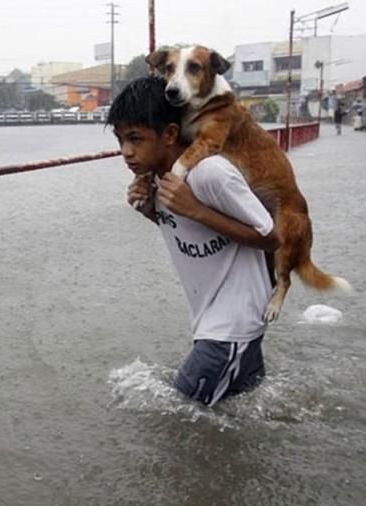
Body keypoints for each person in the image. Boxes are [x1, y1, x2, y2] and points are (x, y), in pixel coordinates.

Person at [106, 77, 279, 406]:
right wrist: (150, 211)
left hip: (230, 327)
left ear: (170, 134)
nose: (126, 152)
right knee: (242, 416)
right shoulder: (159, 177)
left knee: (180, 424)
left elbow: (271, 237)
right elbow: (192, 233)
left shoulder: (210, 173)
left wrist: (197, 209)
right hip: (219, 323)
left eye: (135, 139)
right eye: (120, 140)